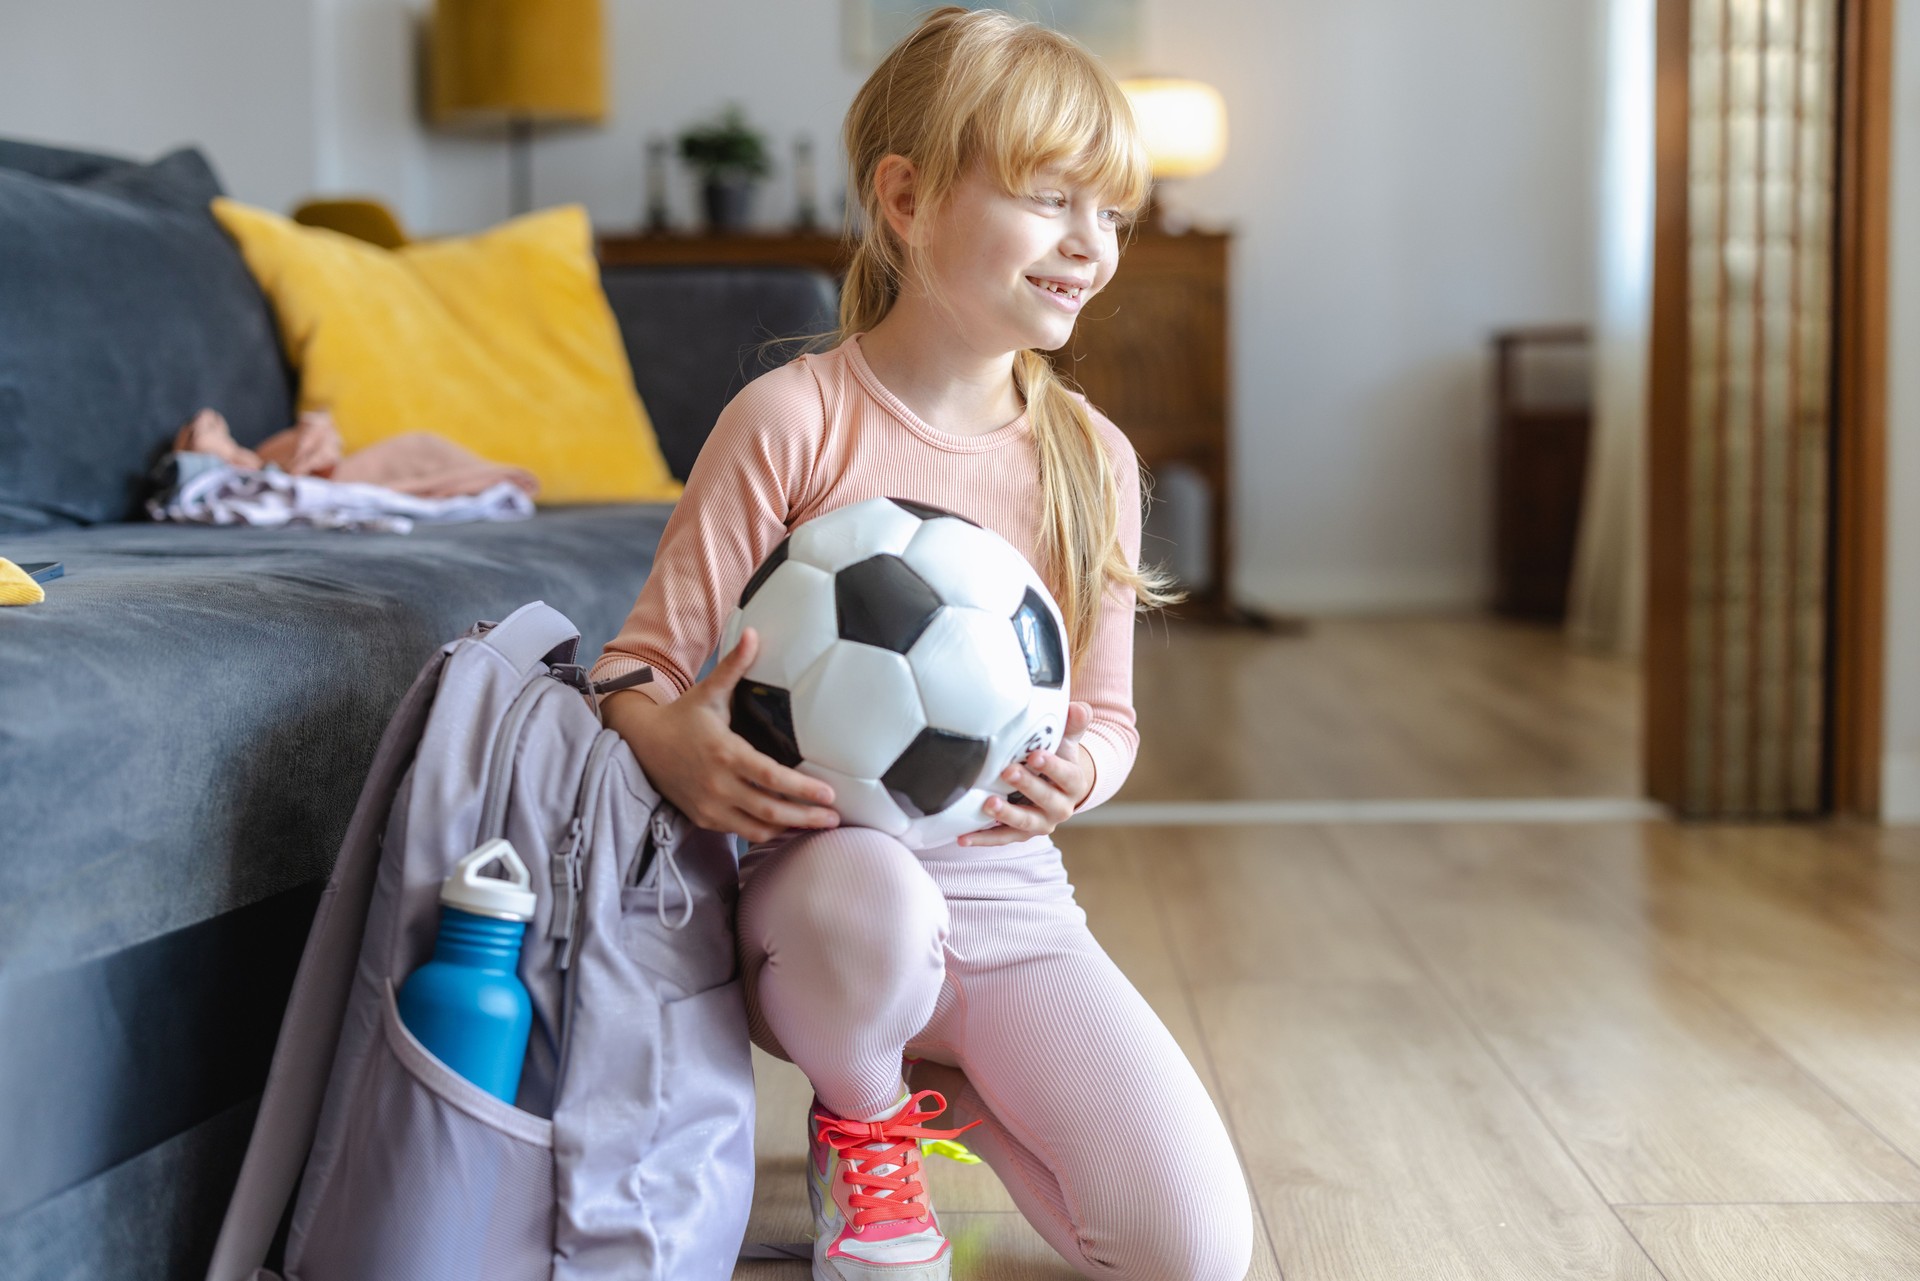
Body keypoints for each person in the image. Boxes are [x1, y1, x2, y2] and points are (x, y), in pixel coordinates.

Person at [592, 8, 1254, 1279]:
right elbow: (640, 666)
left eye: (1113, 212)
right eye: (1053, 198)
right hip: (826, 907)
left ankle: (946, 1087)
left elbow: (1107, 721)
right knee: (880, 895)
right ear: (906, 197)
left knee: (1193, 1256)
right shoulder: (791, 419)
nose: (1089, 245)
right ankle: (863, 1114)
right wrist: (674, 744)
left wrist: (1086, 773)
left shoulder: (1090, 459)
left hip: (1015, 910)